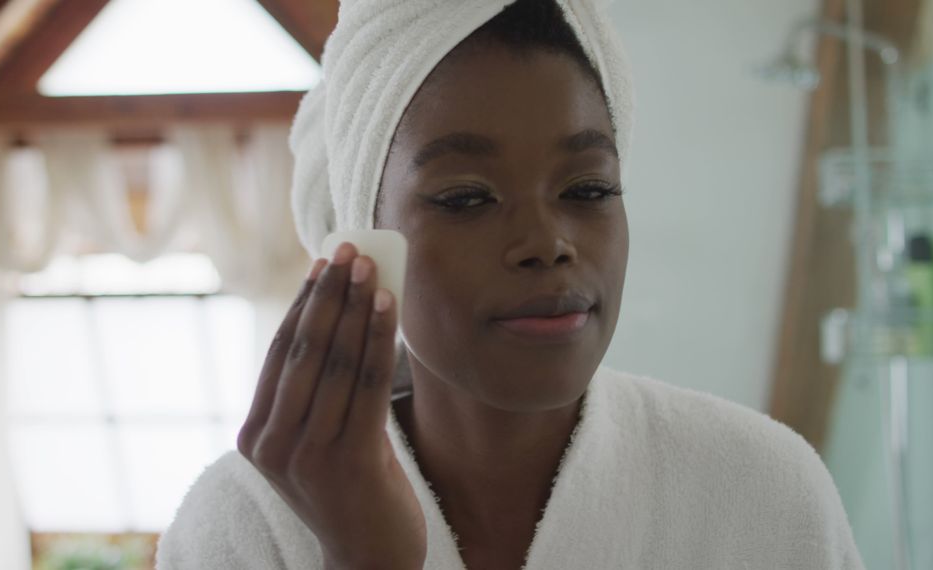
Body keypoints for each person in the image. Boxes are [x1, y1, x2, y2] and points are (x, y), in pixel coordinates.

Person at [156, 1, 865, 569]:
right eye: (466, 197)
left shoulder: (761, 491)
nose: (548, 243)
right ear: (363, 241)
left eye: (588, 187)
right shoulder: (242, 528)